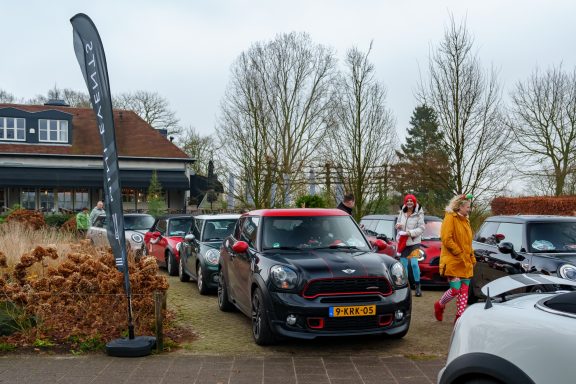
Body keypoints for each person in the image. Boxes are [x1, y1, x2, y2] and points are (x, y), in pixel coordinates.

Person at [434, 193, 475, 323]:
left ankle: (459, 319)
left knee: (464, 291)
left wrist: (472, 257)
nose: (469, 209)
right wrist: (458, 252)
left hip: (465, 261)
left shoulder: (466, 220)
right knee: (456, 290)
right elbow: (446, 239)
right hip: (453, 260)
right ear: (460, 206)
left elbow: (468, 242)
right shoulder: (450, 217)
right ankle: (439, 304)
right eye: (468, 207)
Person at [395, 194, 425, 297]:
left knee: (414, 264)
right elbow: (398, 223)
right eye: (407, 201)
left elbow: (422, 228)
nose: (409, 203)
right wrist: (398, 226)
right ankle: (406, 287)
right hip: (403, 242)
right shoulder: (402, 212)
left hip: (414, 242)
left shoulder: (419, 213)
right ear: (405, 202)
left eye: (411, 201)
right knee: (404, 266)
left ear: (414, 202)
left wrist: (410, 233)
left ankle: (417, 286)